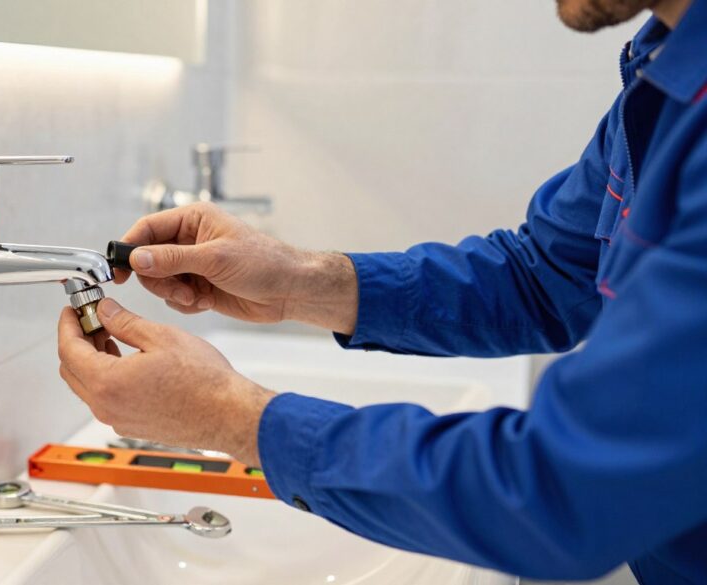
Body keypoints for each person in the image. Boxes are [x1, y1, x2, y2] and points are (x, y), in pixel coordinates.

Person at [57, 0, 707, 581]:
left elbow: (564, 491)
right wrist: (295, 281)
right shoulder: (664, 69)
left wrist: (229, 416)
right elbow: (544, 275)